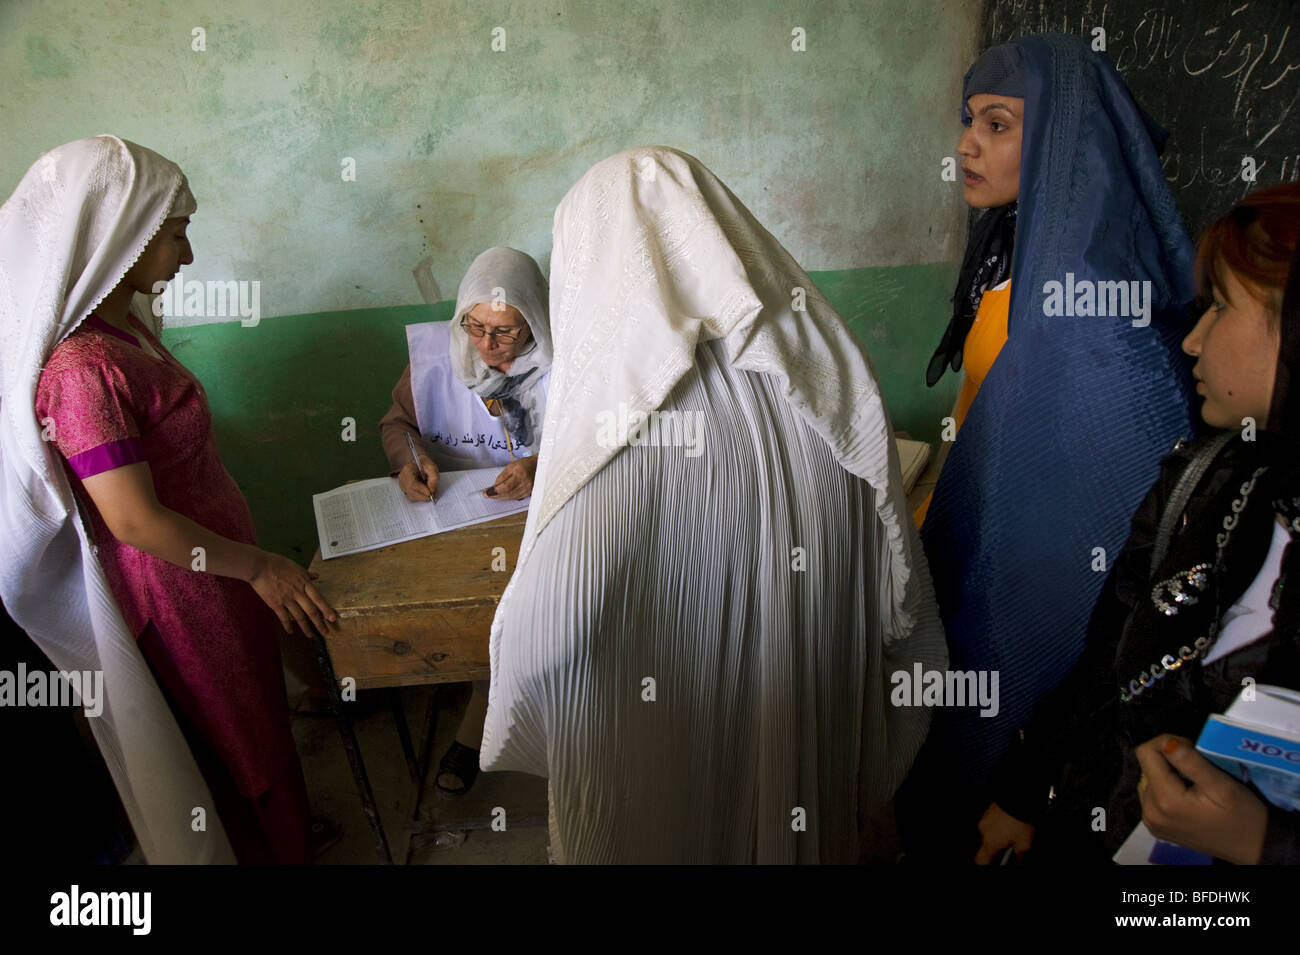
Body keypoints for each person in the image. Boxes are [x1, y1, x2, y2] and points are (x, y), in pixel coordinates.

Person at [479, 146, 950, 863]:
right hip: (803, 761)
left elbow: (549, 641)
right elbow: (894, 591)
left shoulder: (617, 446)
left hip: (664, 780)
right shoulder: (826, 396)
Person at [896, 34, 1201, 861]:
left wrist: (1034, 767)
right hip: (981, 568)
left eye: (998, 124)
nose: (966, 143)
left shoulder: (1102, 323)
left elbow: (1094, 572)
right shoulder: (1011, 256)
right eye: (968, 120)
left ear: (1064, 140)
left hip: (1039, 653)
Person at [0, 135, 337, 864]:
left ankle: (285, 840)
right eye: (176, 233)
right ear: (118, 235)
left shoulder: (124, 331)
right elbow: (133, 519)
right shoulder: (82, 369)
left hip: (212, 572)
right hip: (182, 588)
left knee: (257, 725)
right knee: (233, 744)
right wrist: (257, 566)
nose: (186, 256)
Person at [975, 182, 1300, 865]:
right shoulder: (1203, 477)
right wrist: (1028, 788)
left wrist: (1263, 843)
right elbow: (1108, 655)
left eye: (1220, 307)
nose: (1192, 339)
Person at [379, 245, 550, 797]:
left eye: (506, 331)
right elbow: (398, 423)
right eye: (474, 327)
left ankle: (513, 727)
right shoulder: (434, 355)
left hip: (550, 519)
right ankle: (484, 715)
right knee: (481, 618)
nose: (487, 346)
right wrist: (410, 461)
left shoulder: (569, 358)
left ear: (537, 322)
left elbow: (608, 438)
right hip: (463, 524)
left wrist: (540, 464)